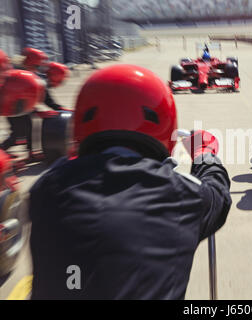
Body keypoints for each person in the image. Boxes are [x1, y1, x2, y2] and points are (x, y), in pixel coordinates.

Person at [29, 64, 232, 300]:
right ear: (165, 121)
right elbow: (218, 192)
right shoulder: (184, 195)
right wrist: (205, 153)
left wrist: (77, 161)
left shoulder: (44, 191)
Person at [0, 69, 45, 157]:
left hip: (19, 103)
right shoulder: (13, 77)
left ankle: (31, 152)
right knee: (17, 134)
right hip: (11, 106)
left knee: (29, 127)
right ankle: (1, 150)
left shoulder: (28, 76)